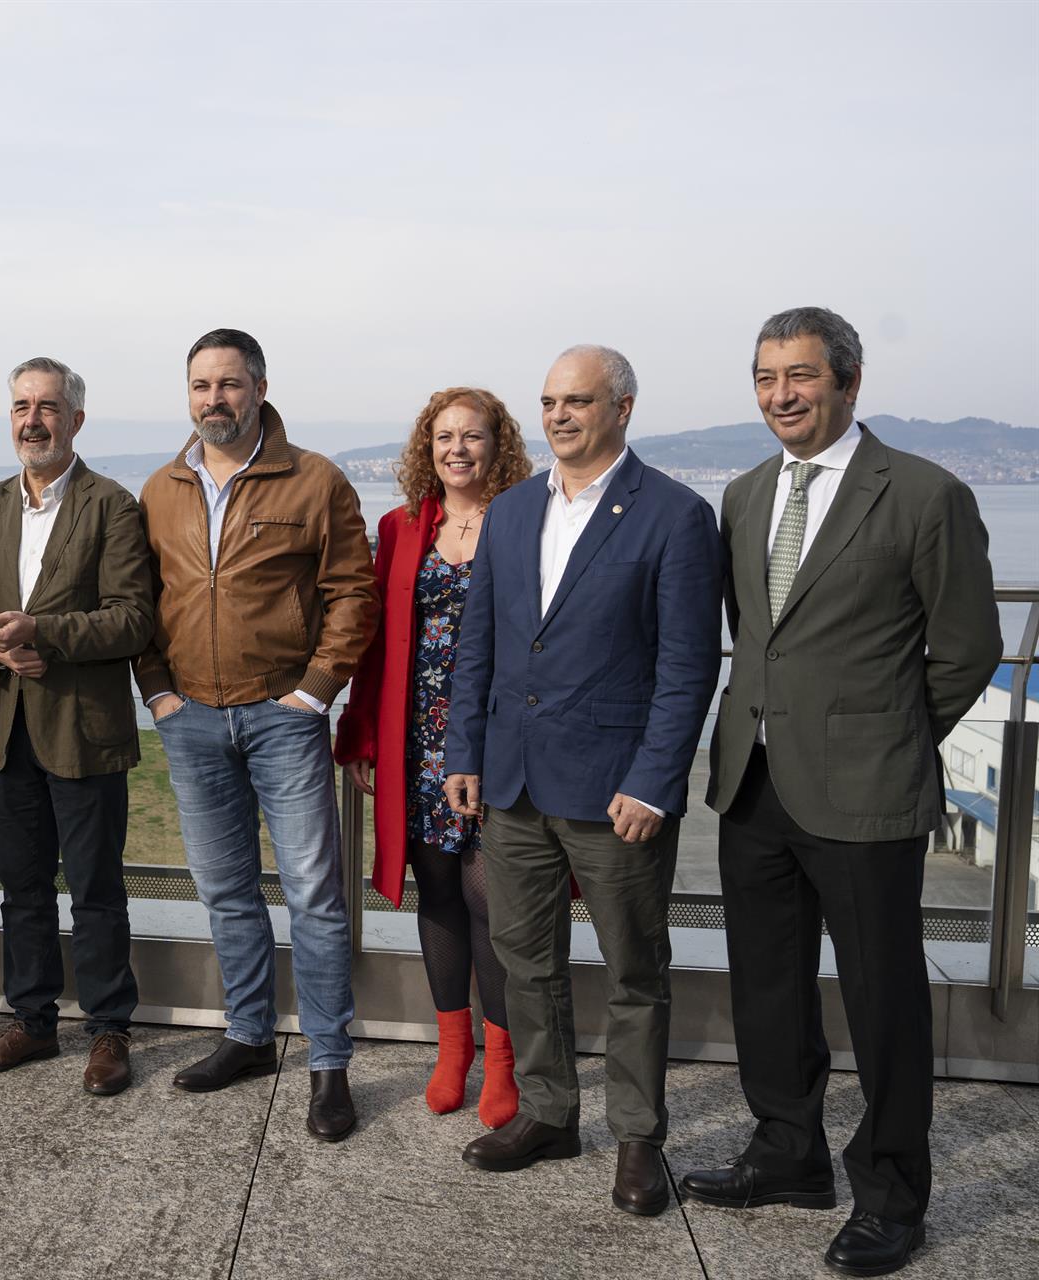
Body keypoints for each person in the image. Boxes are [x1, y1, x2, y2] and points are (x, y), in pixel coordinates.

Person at [680, 308, 997, 1277]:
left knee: (883, 998)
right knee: (767, 983)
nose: (782, 394)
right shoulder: (740, 495)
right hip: (754, 780)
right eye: (767, 376)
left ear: (849, 383)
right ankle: (789, 1152)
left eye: (801, 376)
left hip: (868, 788)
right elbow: (757, 635)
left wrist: (888, 737)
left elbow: (968, 648)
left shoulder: (925, 493)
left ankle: (894, 1193)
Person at [444, 345, 721, 1216]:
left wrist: (653, 782)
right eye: (550, 402)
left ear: (624, 408)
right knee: (527, 961)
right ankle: (551, 1115)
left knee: (637, 969)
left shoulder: (675, 516)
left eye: (579, 400)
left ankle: (638, 1140)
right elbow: (480, 645)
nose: (560, 416)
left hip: (616, 793)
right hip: (514, 784)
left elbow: (686, 667)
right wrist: (464, 753)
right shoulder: (514, 508)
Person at [136, 328, 377, 1142]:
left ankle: (328, 1063)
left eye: (230, 385)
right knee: (225, 890)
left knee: (312, 894)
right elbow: (143, 603)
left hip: (284, 717)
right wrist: (159, 692)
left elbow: (353, 593)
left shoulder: (315, 481)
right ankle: (246, 1037)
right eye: (201, 385)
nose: (215, 400)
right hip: (192, 719)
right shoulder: (162, 487)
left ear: (261, 387)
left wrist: (315, 693)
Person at [0, 357, 153, 1095]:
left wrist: (45, 633)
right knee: (21, 887)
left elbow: (134, 618)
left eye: (48, 407)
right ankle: (32, 1022)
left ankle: (108, 1029)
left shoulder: (113, 506)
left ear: (76, 420)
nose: (33, 419)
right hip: (3, 729)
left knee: (97, 888)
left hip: (83, 731)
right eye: (21, 406)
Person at [334, 387, 532, 1128]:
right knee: (440, 896)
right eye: (444, 436)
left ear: (497, 445)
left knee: (494, 902)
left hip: (498, 744)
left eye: (472, 436)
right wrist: (360, 734)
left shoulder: (525, 522)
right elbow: (375, 641)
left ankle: (503, 1059)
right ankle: (454, 1051)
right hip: (417, 741)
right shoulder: (400, 526)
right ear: (427, 447)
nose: (457, 448)